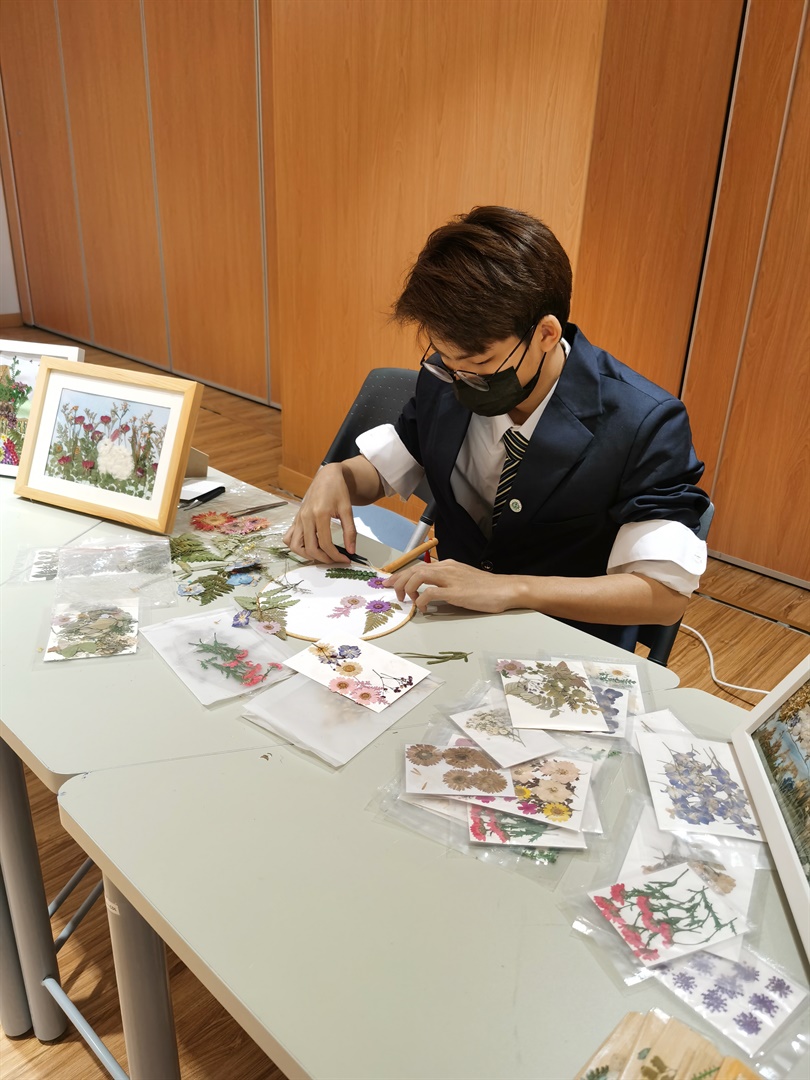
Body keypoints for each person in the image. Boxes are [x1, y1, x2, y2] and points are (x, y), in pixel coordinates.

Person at [283, 206, 709, 650]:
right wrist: (338, 475)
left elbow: (662, 597)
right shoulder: (445, 379)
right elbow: (388, 467)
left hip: (562, 645)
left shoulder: (643, 422)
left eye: (481, 362)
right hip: (447, 625)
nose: (460, 379)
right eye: (447, 359)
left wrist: (510, 589)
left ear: (546, 334)